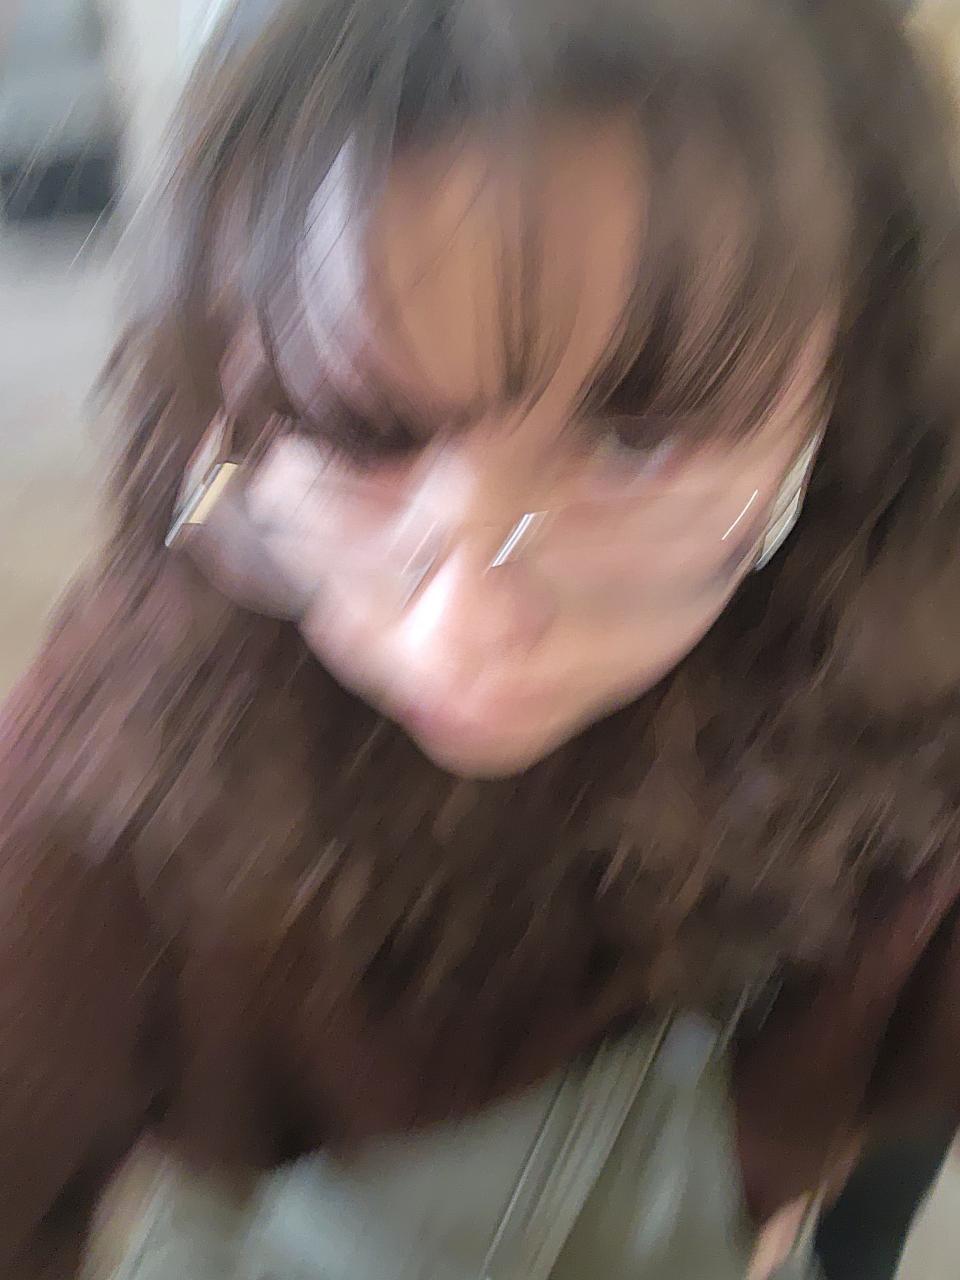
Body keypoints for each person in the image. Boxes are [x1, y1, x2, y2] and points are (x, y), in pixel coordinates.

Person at [1, 0, 959, 1276]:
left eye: (636, 443)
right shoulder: (124, 757)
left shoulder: (898, 670)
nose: (457, 635)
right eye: (358, 430)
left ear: (851, 420)